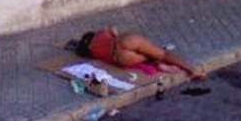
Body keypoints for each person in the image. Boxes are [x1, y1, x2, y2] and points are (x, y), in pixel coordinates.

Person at [75, 26, 206, 79]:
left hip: (119, 57)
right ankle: (190, 68)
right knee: (161, 53)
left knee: (148, 58)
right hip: (124, 41)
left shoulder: (92, 51)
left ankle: (159, 64)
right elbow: (113, 30)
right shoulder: (100, 33)